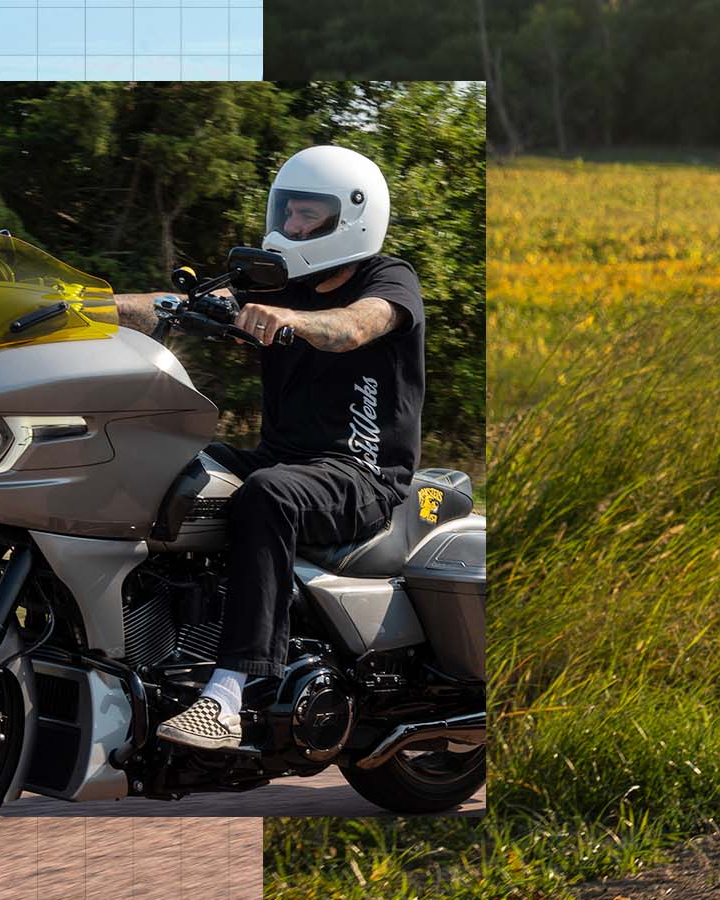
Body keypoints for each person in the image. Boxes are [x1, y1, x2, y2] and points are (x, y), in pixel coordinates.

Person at [111, 145, 427, 751]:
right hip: (283, 457)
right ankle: (147, 650)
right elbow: (174, 305)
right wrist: (88, 307)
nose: (292, 226)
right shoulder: (282, 282)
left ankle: (230, 695)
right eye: (287, 211)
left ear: (352, 218)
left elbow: (355, 326)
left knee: (268, 495)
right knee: (165, 463)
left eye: (309, 214)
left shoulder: (388, 279)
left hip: (361, 472)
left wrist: (292, 320)